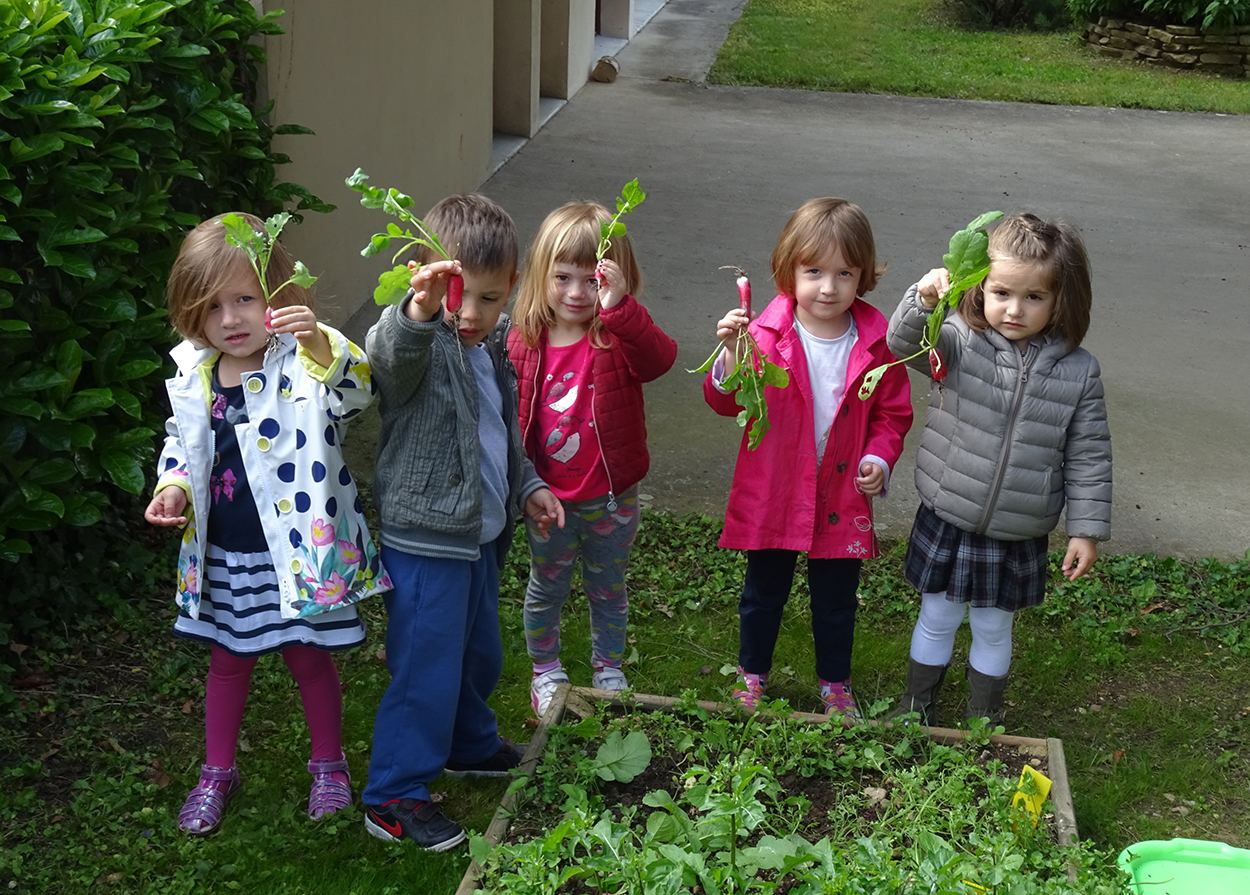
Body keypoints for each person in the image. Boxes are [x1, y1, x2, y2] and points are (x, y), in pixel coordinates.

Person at [145, 212, 390, 836]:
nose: (231, 319)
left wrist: (319, 346)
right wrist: (172, 486)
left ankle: (329, 765)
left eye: (245, 299)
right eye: (213, 306)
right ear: (191, 314)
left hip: (301, 555)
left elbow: (358, 392)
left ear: (277, 296)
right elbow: (184, 446)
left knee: (309, 658)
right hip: (229, 556)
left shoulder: (302, 362)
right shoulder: (197, 375)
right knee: (228, 659)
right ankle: (216, 771)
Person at [361, 194, 564, 852]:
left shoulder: (489, 349)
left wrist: (527, 483)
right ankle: (394, 793)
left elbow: (497, 432)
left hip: (478, 535)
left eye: (492, 299)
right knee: (426, 667)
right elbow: (388, 359)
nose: (474, 313)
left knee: (478, 652)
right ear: (430, 281)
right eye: (459, 295)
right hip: (425, 542)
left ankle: (467, 743)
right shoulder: (420, 342)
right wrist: (418, 312)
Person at [886, 212, 1111, 727]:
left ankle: (983, 720)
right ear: (978, 287)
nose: (1014, 309)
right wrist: (921, 302)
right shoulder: (958, 340)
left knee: (993, 627)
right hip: (950, 509)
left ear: (1060, 300)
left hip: (1017, 528)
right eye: (1002, 292)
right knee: (937, 615)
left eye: (1033, 297)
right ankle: (913, 711)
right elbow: (904, 345)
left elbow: (1090, 453)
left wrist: (1087, 530)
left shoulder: (1079, 371)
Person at [704, 198, 913, 718]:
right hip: (776, 487)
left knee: (837, 601)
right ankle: (752, 675)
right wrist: (730, 354)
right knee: (763, 592)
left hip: (840, 492)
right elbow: (725, 401)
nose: (828, 287)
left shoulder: (876, 341)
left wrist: (879, 458)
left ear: (863, 275)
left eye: (844, 273)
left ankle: (835, 685)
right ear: (788, 270)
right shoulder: (764, 334)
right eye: (814, 271)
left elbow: (893, 413)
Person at [508, 203, 678, 719]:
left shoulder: (618, 335)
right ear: (541, 275)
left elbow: (661, 360)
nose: (578, 293)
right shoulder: (522, 340)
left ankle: (609, 669)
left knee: (608, 589)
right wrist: (524, 483)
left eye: (594, 279)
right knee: (547, 588)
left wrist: (622, 310)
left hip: (612, 498)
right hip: (548, 502)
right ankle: (545, 671)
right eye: (563, 277)